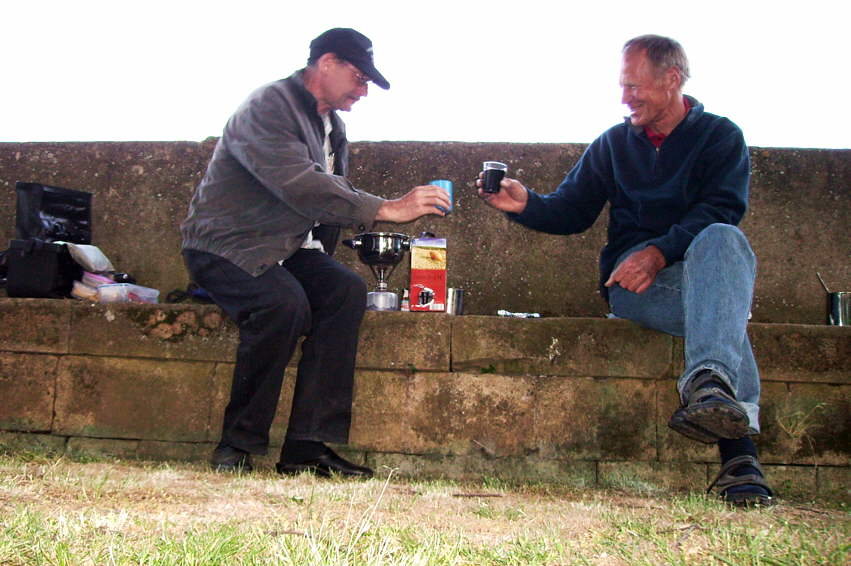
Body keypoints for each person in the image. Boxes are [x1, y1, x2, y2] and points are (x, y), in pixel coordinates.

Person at [477, 35, 773, 506]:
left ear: (671, 79)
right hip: (634, 288)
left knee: (723, 238)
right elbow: (572, 211)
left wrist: (659, 251)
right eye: (622, 86)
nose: (624, 98)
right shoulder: (613, 144)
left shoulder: (720, 136)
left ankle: (714, 399)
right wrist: (525, 204)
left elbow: (721, 208)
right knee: (723, 312)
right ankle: (739, 452)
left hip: (700, 269)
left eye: (634, 86)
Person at [180, 28, 450, 478]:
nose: (364, 91)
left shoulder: (332, 126)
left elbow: (328, 197)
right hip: (227, 244)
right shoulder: (268, 105)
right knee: (282, 304)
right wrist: (385, 208)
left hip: (286, 250)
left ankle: (306, 447)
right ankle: (237, 444)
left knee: (344, 290)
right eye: (360, 78)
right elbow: (298, 182)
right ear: (326, 63)